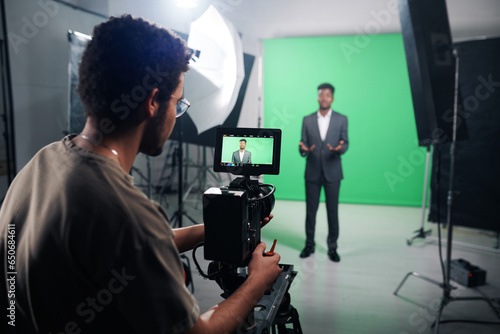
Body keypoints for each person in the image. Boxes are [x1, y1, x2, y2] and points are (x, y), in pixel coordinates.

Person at [0, 15, 282, 334]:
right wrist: (257, 282)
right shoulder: (128, 215)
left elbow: (138, 243)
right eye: (177, 104)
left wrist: (215, 228)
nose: (176, 116)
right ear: (151, 102)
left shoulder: (42, 163)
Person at [298, 83, 348, 262]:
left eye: (328, 95)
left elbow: (345, 143)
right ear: (317, 97)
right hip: (312, 172)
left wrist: (339, 148)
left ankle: (332, 248)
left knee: (332, 211)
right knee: (310, 211)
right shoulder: (307, 119)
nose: (324, 98)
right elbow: (302, 145)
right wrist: (303, 149)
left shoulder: (342, 119)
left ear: (332, 98)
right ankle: (309, 245)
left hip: (333, 172)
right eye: (321, 95)